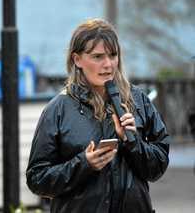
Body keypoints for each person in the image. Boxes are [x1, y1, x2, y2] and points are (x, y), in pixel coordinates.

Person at [26, 19, 170, 213]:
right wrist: (84, 164)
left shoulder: (138, 101)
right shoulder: (57, 110)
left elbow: (157, 167)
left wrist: (133, 142)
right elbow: (37, 179)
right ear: (77, 60)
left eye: (113, 55)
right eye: (97, 57)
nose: (108, 64)